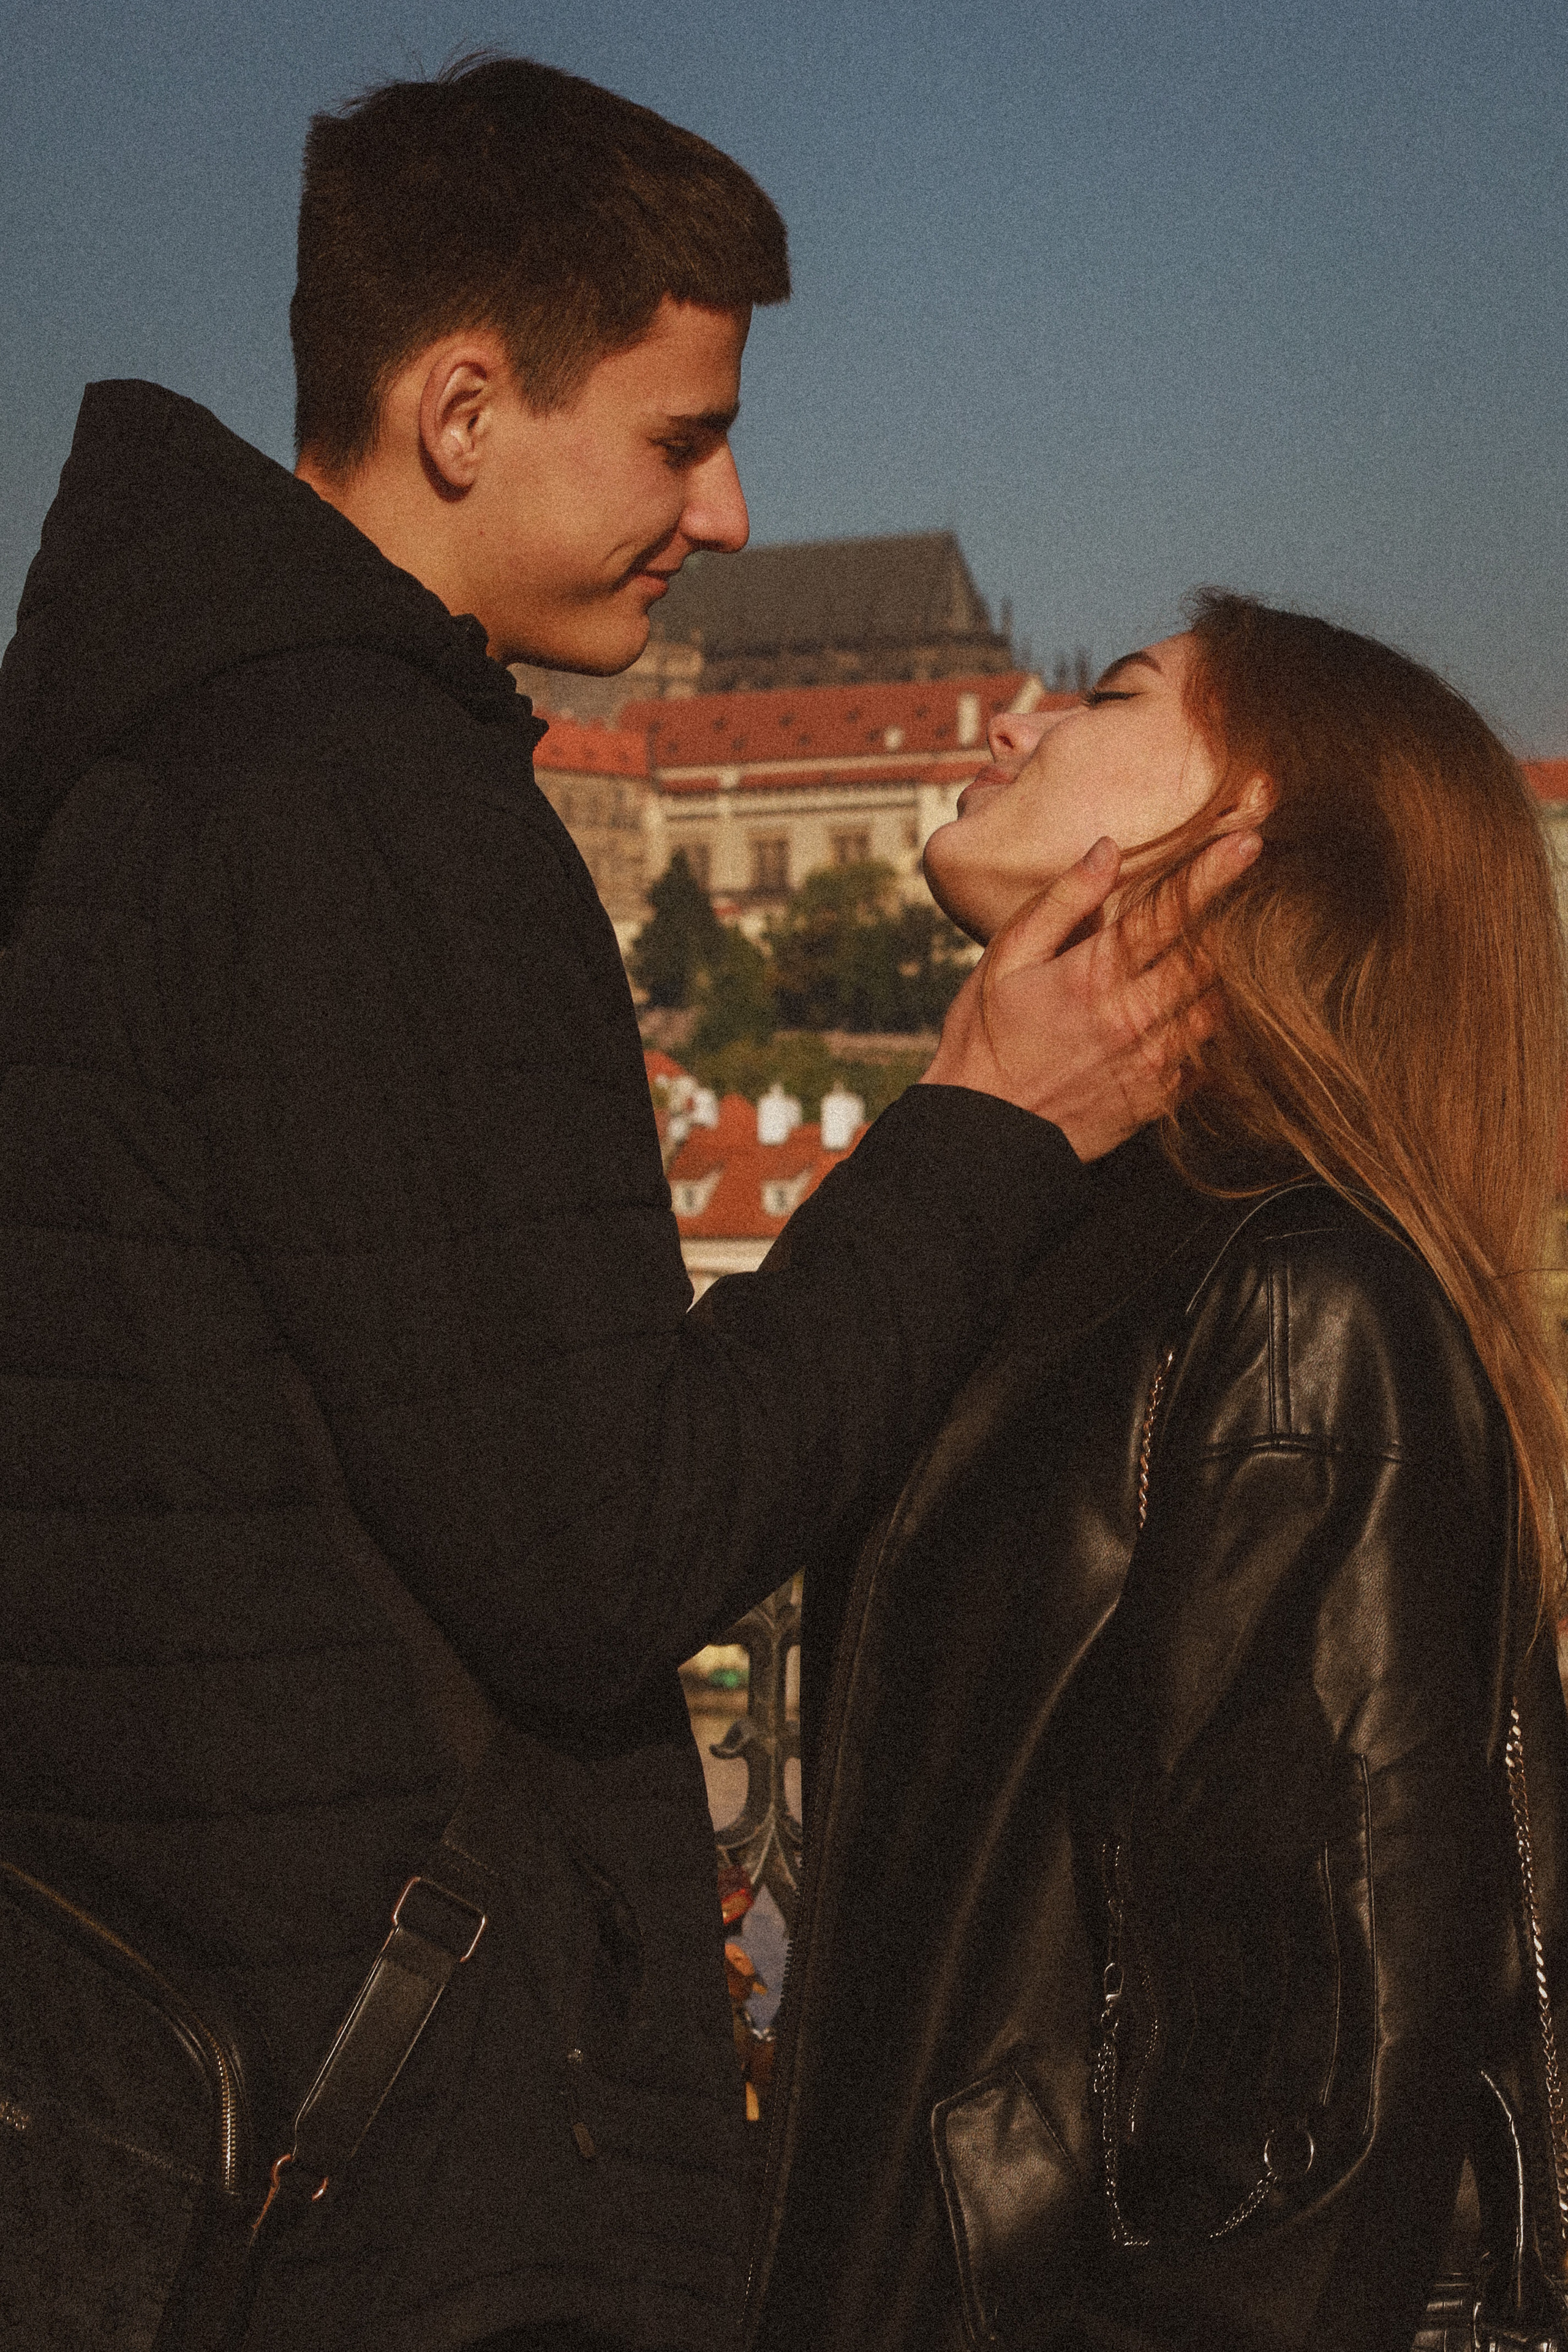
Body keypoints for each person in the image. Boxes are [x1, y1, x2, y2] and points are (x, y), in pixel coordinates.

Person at [0, 57, 1254, 2352]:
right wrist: (984, 1122)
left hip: (175, 2074)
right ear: (465, 409)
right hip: (411, 2183)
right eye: (684, 439)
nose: (737, 512)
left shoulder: (146, 764)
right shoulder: (366, 809)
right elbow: (609, 1552)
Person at [746, 594, 1568, 2352]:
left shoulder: (1294, 1302)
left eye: (1108, 699)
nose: (1007, 720)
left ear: (1246, 841)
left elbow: (1314, 2157)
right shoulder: (1084, 1257)